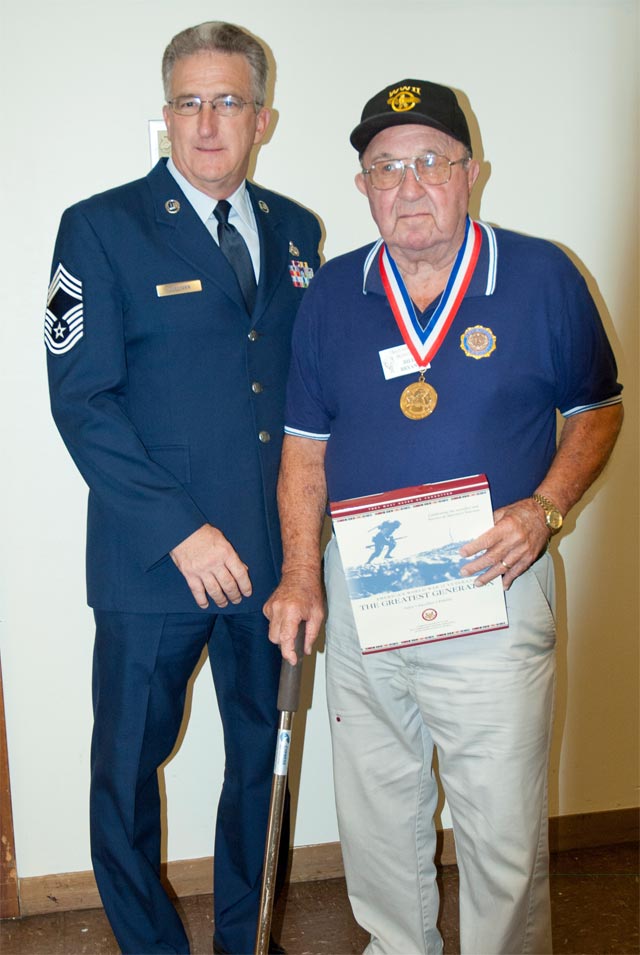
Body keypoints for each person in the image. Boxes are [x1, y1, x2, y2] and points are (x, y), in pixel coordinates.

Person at [265, 78, 623, 954]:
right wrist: (303, 573)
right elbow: (304, 450)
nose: (409, 184)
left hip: (494, 580)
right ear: (363, 187)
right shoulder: (334, 292)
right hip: (367, 588)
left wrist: (545, 508)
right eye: (386, 167)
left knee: (499, 826)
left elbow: (597, 409)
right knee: (378, 809)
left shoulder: (542, 275)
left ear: (472, 172)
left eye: (431, 161)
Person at [45, 20, 321, 955]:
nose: (208, 123)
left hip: (271, 565)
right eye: (190, 103)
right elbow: (84, 404)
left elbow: (301, 399)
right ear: (165, 116)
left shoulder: (297, 231)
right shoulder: (100, 227)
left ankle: (247, 939)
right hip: (153, 561)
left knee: (259, 765)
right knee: (125, 771)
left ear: (263, 118)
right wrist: (182, 531)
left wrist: (304, 550)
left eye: (229, 102)